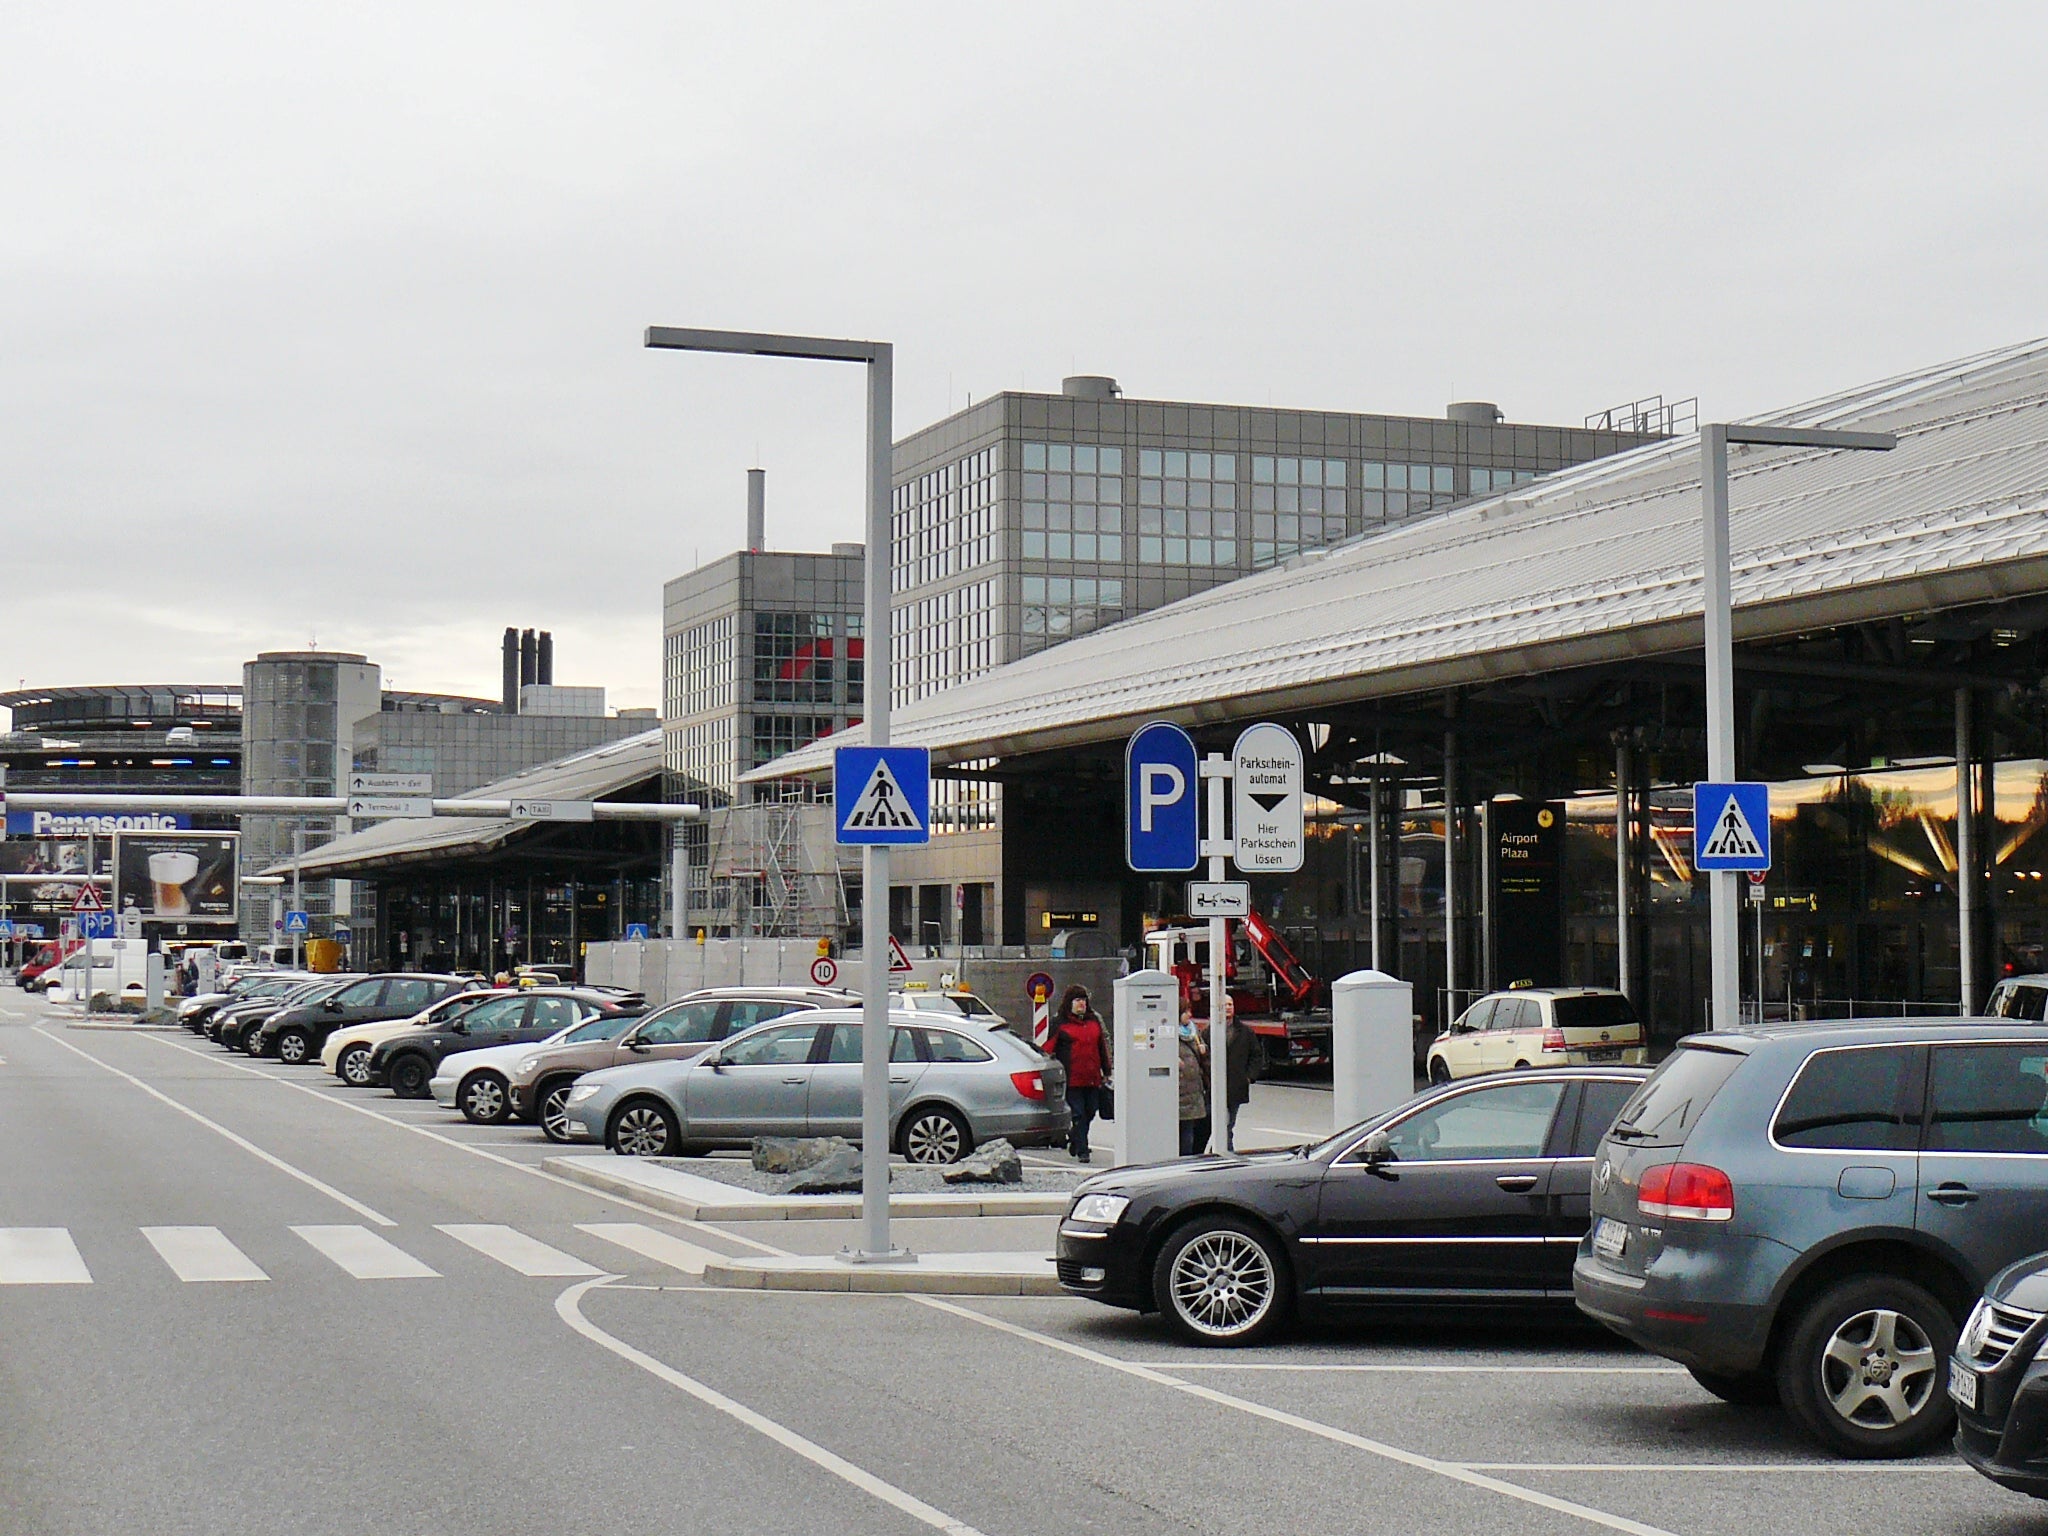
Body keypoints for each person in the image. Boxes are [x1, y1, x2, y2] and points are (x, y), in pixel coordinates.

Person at [1047, 984, 1112, 1163]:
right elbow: (1048, 1049)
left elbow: (1102, 1047)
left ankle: (1075, 1140)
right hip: (1071, 1078)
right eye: (1077, 1000)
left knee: (1091, 1111)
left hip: (1092, 1077)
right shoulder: (1060, 1023)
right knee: (1079, 1114)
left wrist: (1107, 1070)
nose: (1081, 1004)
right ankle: (1083, 1150)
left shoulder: (1094, 1021)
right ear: (1070, 1003)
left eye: (1083, 1000)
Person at [1205, 995, 1256, 1153]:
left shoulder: (1245, 1032)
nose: (1228, 1007)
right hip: (1213, 1087)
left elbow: (1256, 1055)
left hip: (1235, 1086)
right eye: (1224, 1004)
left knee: (1228, 1124)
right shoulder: (1208, 1032)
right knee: (1216, 1123)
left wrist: (1249, 1077)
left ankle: (1223, 1153)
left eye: (1230, 1004)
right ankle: (1223, 1152)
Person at [1177, 1003, 1208, 1156]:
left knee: (1189, 1136)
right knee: (1182, 1137)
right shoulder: (1167, 1034)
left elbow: (1204, 1061)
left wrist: (1204, 1051)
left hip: (1194, 1093)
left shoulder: (1194, 1032)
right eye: (1185, 1011)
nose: (1189, 1014)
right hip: (1179, 1094)